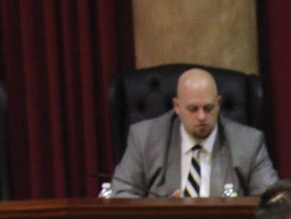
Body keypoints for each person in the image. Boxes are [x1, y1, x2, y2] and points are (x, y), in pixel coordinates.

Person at [110, 67, 278, 198]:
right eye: (193, 109)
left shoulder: (248, 142)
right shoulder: (144, 138)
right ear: (177, 106)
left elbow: (271, 201)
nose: (201, 116)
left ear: (219, 103)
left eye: (208, 108)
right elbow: (123, 193)